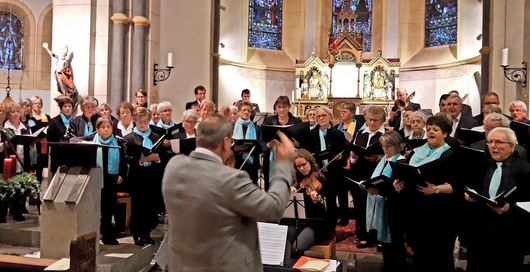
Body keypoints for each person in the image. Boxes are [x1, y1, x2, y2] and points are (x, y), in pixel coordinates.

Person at [161, 114, 295, 271]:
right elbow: (274, 208)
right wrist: (284, 164)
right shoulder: (230, 179)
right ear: (225, 143)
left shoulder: (173, 167)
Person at [393, 115, 460, 272]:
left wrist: (435, 189)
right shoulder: (417, 152)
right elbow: (407, 173)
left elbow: (456, 185)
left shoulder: (451, 154)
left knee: (441, 256)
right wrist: (399, 183)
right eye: (428, 129)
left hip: (440, 213)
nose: (430, 132)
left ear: (445, 134)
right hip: (417, 211)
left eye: (435, 129)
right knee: (420, 254)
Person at [463, 127, 530, 272]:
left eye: (498, 142)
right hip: (480, 235)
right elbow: (469, 186)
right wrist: (470, 194)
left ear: (511, 146)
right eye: (490, 142)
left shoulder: (525, 170)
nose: (493, 146)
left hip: (509, 236)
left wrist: (510, 209)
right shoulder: (481, 165)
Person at [361, 131, 408, 272]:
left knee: (395, 244)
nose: (385, 149)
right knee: (386, 245)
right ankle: (388, 266)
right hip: (384, 206)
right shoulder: (384, 160)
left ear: (397, 146)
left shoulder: (401, 162)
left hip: (394, 209)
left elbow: (400, 190)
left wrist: (379, 191)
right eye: (383, 146)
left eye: (388, 146)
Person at [124, 107, 164, 246]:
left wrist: (157, 158)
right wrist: (141, 160)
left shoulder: (155, 137)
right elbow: (126, 158)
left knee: (150, 207)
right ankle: (138, 235)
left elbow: (162, 158)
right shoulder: (129, 138)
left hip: (151, 176)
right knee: (138, 207)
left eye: (145, 121)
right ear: (135, 121)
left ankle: (147, 234)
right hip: (137, 176)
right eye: (140, 122)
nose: (143, 124)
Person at [349, 105, 387, 243]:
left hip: (376, 174)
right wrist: (353, 156)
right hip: (358, 172)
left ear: (382, 121)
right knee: (359, 204)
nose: (372, 123)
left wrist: (376, 158)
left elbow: (391, 156)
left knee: (377, 205)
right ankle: (362, 233)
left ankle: (376, 235)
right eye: (370, 120)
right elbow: (353, 154)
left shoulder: (386, 135)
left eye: (375, 120)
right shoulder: (360, 133)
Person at [286, 148, 333, 257]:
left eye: (304, 164)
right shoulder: (295, 181)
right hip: (297, 222)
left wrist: (316, 202)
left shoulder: (321, 180)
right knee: (285, 241)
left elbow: (324, 213)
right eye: (298, 166)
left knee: (296, 248)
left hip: (315, 225)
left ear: (310, 162)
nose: (302, 168)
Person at [309, 106, 348, 227]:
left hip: (335, 169)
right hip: (320, 169)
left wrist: (341, 157)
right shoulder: (312, 133)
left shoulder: (338, 134)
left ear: (330, 117)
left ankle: (342, 218)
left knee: (340, 194)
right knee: (327, 196)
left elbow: (345, 152)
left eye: (323, 115)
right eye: (318, 116)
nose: (321, 118)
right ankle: (327, 221)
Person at [92, 117, 127, 245]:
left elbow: (123, 161)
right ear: (97, 129)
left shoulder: (118, 143)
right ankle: (94, 234)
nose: (106, 129)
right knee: (95, 208)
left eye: (108, 127)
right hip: (96, 179)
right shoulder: (92, 142)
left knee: (108, 208)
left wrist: (121, 175)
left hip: (111, 179)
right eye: (103, 127)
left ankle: (107, 235)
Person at [262, 96, 302, 189]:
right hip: (272, 158)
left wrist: (297, 144)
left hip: (291, 158)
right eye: (279, 107)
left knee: (290, 186)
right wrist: (268, 145)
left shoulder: (297, 122)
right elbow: (261, 141)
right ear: (275, 108)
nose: (281, 110)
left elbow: (303, 143)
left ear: (289, 107)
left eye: (284, 107)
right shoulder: (269, 121)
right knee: (271, 189)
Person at [232, 101, 260, 183]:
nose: (246, 112)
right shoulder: (232, 126)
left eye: (249, 110)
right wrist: (235, 148)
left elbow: (261, 145)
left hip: (252, 164)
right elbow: (227, 145)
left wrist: (253, 147)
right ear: (239, 112)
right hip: (236, 162)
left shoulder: (256, 127)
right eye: (244, 110)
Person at [47, 97, 75, 175]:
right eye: (65, 106)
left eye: (69, 106)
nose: (67, 109)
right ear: (61, 108)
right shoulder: (54, 121)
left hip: (72, 155)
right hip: (58, 155)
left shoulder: (76, 121)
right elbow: (49, 139)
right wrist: (60, 141)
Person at [29, 96, 50, 183]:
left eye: (39, 103)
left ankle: (38, 194)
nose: (37, 105)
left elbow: (49, 130)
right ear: (31, 105)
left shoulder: (46, 117)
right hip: (32, 145)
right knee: (31, 169)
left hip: (42, 145)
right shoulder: (29, 118)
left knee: (40, 169)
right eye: (35, 103)